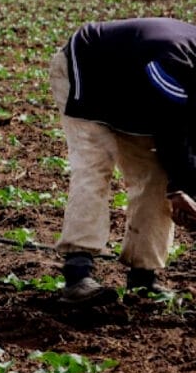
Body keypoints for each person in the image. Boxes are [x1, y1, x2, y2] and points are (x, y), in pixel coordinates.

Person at [49, 17, 196, 305]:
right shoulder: (173, 57)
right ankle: (77, 274)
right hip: (88, 75)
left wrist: (189, 191)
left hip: (135, 93)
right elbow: (171, 126)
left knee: (156, 176)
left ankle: (143, 278)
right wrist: (182, 190)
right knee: (95, 165)